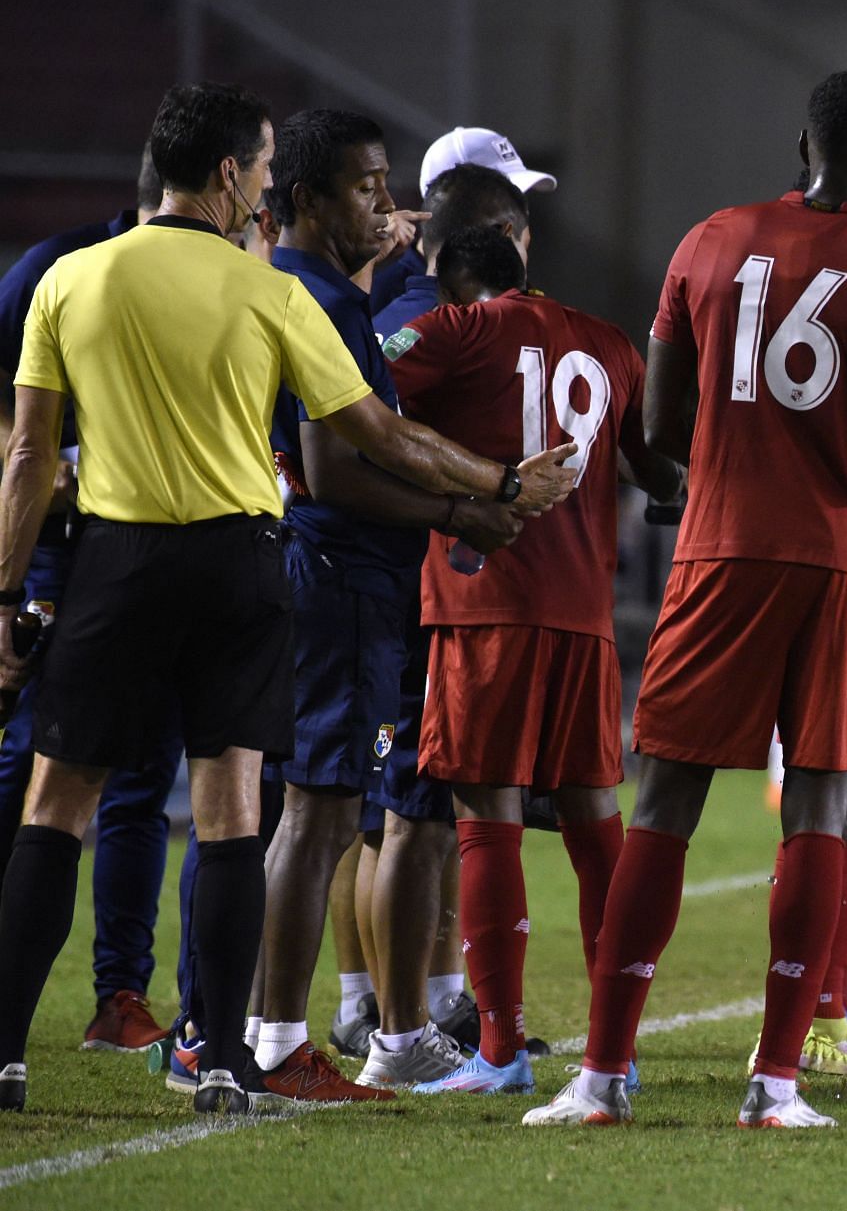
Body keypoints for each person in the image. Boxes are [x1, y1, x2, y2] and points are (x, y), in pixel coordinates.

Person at [0, 81, 578, 1117]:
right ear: (229, 174)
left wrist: (4, 597)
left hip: (113, 564)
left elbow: (31, 457)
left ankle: (3, 1051)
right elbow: (378, 438)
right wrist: (496, 484)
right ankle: (226, 1056)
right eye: (261, 169)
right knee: (230, 813)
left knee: (58, 807)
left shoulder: (68, 281)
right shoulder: (270, 294)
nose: (265, 189)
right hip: (237, 566)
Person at [522, 69, 847, 1129]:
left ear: (803, 139)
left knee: (666, 802)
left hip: (722, 549)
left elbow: (663, 427)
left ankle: (602, 1076)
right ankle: (773, 1083)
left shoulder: (710, 239)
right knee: (819, 809)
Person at [245, 109, 526, 1101]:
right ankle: (278, 1040)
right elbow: (339, 468)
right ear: (309, 201)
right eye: (367, 186)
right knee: (321, 816)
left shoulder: (296, 286)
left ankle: (268, 1028)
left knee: (303, 812)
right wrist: (476, 501)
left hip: (306, 574)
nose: (386, 205)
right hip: (342, 580)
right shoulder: (322, 298)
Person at [383, 226, 680, 1095]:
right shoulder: (610, 343)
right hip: (584, 616)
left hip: (485, 605)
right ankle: (610, 1052)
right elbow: (657, 466)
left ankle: (503, 1050)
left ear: (453, 274)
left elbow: (357, 405)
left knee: (487, 814)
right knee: (595, 820)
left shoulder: (454, 330)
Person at [0, 149, 185, 1055]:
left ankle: (119, 994)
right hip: (58, 557)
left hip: (140, 555)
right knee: (32, 765)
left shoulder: (212, 282)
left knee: (141, 773)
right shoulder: (55, 269)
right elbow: (9, 414)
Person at [368, 125, 553, 315]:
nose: (519, 225)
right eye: (505, 204)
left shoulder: (508, 289)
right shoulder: (384, 296)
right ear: (452, 201)